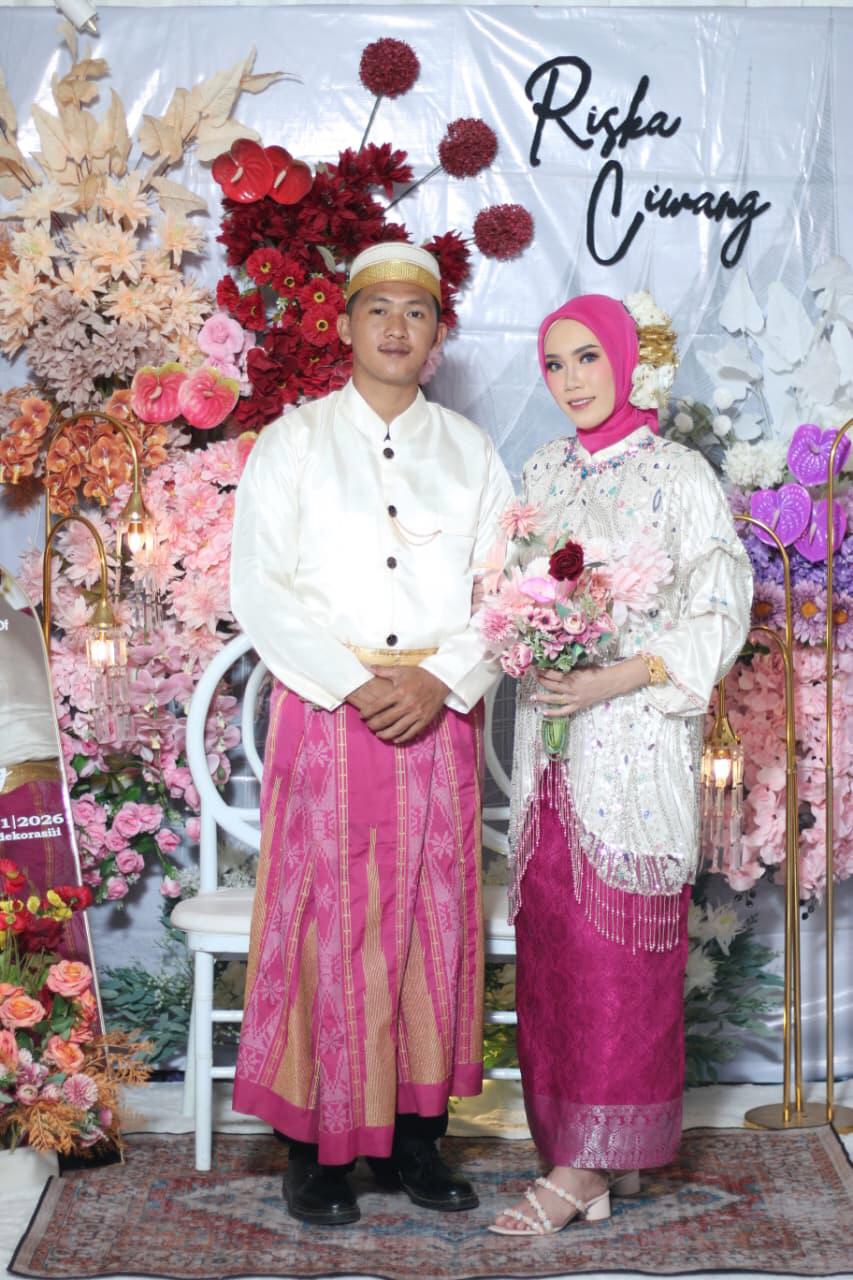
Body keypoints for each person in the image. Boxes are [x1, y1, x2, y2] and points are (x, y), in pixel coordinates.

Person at [230, 242, 514, 1227]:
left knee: (434, 922)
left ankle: (416, 1141)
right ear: (346, 323)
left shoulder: (470, 453)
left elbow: (505, 592)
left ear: (438, 334)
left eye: (417, 311)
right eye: (378, 308)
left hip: (437, 713)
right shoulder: (293, 442)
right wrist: (355, 683)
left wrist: (443, 678)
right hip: (325, 711)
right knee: (324, 922)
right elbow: (260, 586)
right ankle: (315, 1150)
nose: (397, 327)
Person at [489, 293, 752, 1236]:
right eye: (553, 363)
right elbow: (509, 590)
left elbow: (720, 607)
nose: (569, 380)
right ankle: (585, 1153)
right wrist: (523, 639)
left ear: (625, 359)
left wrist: (616, 677)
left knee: (618, 962)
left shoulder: (678, 474)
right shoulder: (542, 470)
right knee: (555, 955)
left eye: (586, 358)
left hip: (633, 749)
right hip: (550, 755)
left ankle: (582, 1169)